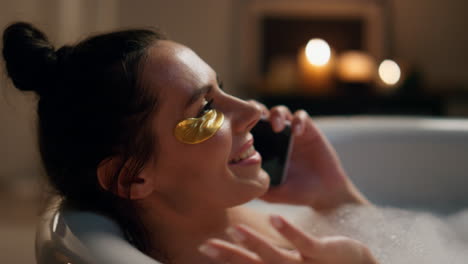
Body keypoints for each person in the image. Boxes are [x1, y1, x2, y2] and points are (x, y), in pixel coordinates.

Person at [2, 22, 378, 264]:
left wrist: (334, 195)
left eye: (222, 89)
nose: (252, 110)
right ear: (131, 178)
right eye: (205, 109)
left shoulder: (235, 219)